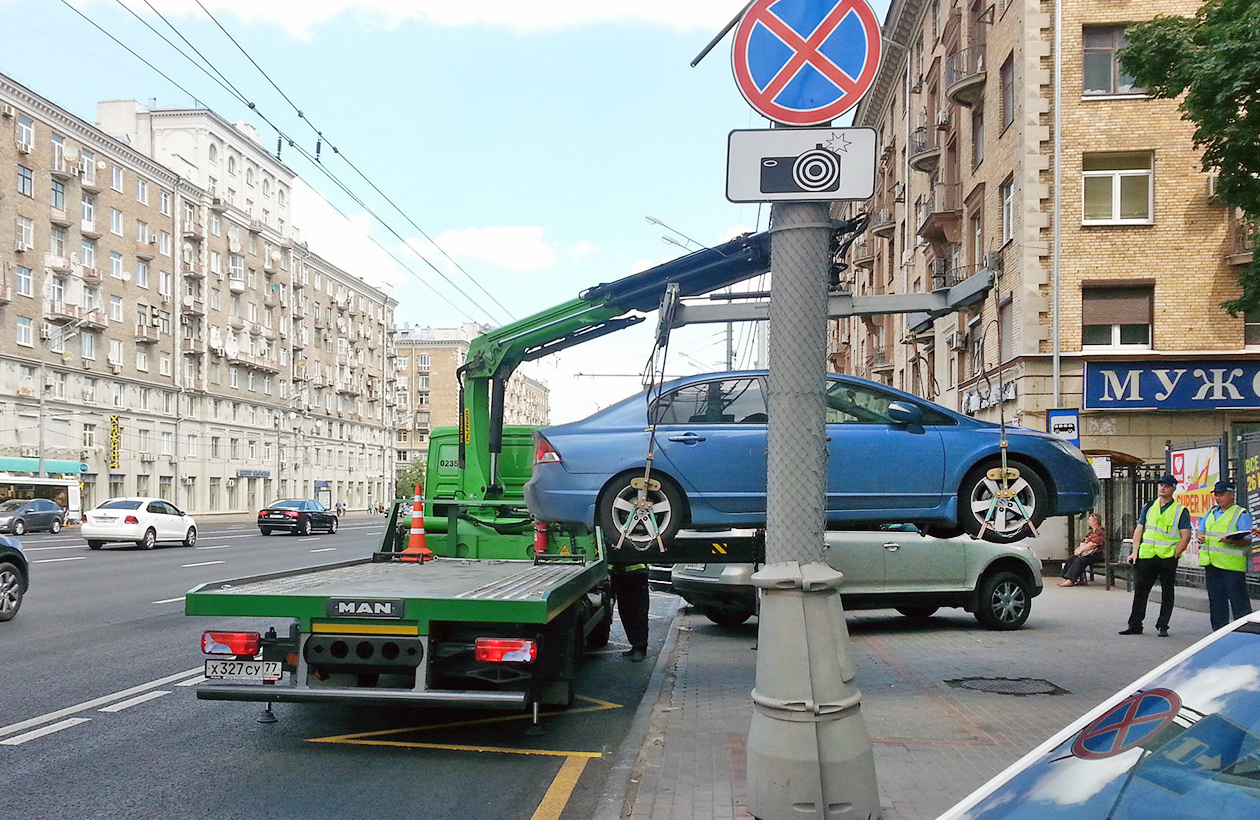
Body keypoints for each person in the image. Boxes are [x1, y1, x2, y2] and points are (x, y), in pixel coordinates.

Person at [1120, 473, 1191, 637]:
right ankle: (1135, 624)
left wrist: (1175, 554)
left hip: (1167, 558)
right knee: (1140, 592)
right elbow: (1139, 529)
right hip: (1146, 556)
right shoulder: (1149, 506)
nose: (1162, 487)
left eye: (1166, 485)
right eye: (1160, 485)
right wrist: (1135, 552)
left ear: (1173, 488)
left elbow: (1185, 535)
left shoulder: (1180, 510)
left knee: (1167, 592)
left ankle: (1163, 625)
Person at [1198, 479, 1253, 631]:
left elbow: (1248, 539)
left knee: (1239, 602)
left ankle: (1245, 633)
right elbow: (1201, 528)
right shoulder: (1211, 512)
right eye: (1215, 494)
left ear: (1231, 495)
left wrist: (1232, 541)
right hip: (1211, 564)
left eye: (1221, 495)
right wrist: (1200, 536)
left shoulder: (1241, 514)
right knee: (1216, 602)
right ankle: (1219, 632)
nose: (1217, 498)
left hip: (1231, 566)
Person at [609, 561, 650, 662]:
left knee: (639, 612)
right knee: (625, 612)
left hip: (637, 574)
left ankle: (640, 648)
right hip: (619, 574)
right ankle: (635, 645)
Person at [1059, 513, 1106, 586]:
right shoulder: (1090, 532)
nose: (1088, 521)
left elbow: (1094, 544)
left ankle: (1071, 580)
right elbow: (1084, 542)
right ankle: (1066, 577)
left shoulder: (1101, 531)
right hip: (1088, 553)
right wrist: (1078, 549)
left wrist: (1081, 550)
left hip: (1097, 554)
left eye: (1089, 520)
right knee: (1072, 558)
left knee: (1080, 560)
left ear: (1095, 521)